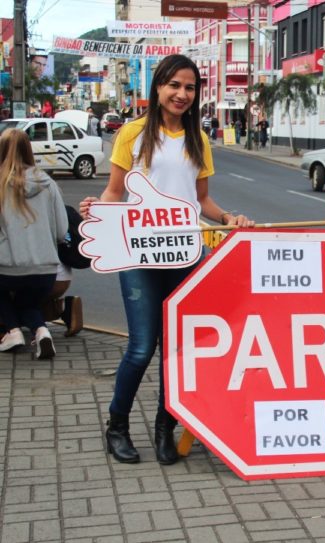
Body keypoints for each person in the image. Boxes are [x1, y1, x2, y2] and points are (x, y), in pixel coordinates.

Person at [78, 54, 253, 466]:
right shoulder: (133, 134)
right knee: (141, 347)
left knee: (181, 350)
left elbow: (202, 199)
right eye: (174, 85)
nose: (181, 94)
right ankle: (116, 426)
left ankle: (164, 428)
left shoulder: (198, 139)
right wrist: (97, 211)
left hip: (186, 255)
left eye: (190, 88)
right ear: (157, 87)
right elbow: (114, 193)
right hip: (138, 254)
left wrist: (229, 218)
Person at [0, 129, 68, 359]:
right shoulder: (48, 184)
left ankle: (12, 330)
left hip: (6, 268)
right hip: (45, 270)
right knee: (27, 302)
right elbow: (62, 231)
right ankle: (41, 332)